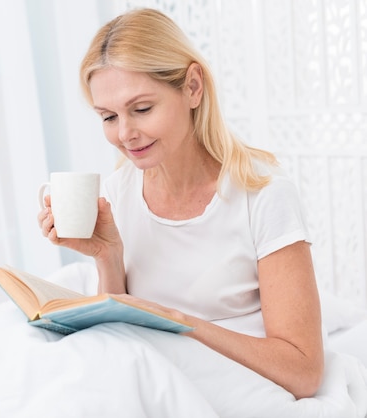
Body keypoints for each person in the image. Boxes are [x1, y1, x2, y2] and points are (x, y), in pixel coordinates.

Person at [37, 8, 323, 399]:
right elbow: (123, 332)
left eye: (141, 109)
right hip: (149, 382)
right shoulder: (120, 190)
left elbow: (304, 371)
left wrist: (178, 322)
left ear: (192, 87)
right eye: (107, 117)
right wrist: (108, 255)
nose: (124, 134)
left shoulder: (263, 194)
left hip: (235, 387)